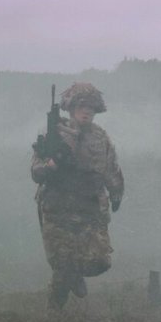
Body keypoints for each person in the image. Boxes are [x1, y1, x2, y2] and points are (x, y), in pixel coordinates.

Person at [30, 82, 124, 309]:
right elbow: (36, 171)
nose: (86, 111)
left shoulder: (101, 137)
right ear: (71, 108)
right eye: (82, 106)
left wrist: (116, 192)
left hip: (90, 209)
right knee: (62, 264)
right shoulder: (55, 133)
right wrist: (51, 165)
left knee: (100, 261)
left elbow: (111, 168)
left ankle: (74, 274)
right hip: (58, 209)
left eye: (91, 107)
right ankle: (55, 314)